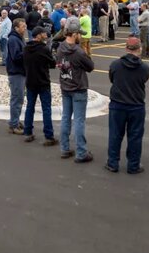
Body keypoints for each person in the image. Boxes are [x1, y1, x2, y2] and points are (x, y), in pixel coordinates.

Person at [106, 37, 149, 174]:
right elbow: (144, 80)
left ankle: (113, 163)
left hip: (118, 104)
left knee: (115, 134)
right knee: (135, 136)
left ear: (126, 48)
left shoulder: (115, 65)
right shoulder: (144, 68)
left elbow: (112, 79)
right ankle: (133, 165)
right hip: (136, 105)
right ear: (139, 49)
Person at [56, 17, 96, 163]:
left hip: (65, 86)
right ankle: (81, 152)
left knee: (66, 117)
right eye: (78, 33)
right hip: (78, 88)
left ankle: (65, 148)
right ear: (74, 34)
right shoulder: (78, 52)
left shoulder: (60, 48)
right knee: (79, 120)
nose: (80, 35)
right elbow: (90, 67)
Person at [22, 26, 57, 145]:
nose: (45, 34)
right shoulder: (44, 49)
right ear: (38, 35)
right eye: (43, 33)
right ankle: (49, 135)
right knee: (46, 109)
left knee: (30, 107)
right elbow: (52, 63)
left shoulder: (26, 48)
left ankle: (27, 132)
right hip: (43, 82)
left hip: (30, 81)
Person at [5, 18, 27, 134]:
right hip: (16, 72)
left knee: (19, 98)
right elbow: (16, 57)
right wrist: (27, 52)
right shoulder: (13, 39)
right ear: (16, 28)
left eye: (25, 26)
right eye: (23, 26)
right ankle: (13, 125)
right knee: (16, 99)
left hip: (21, 72)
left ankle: (16, 120)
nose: (25, 28)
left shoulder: (20, 38)